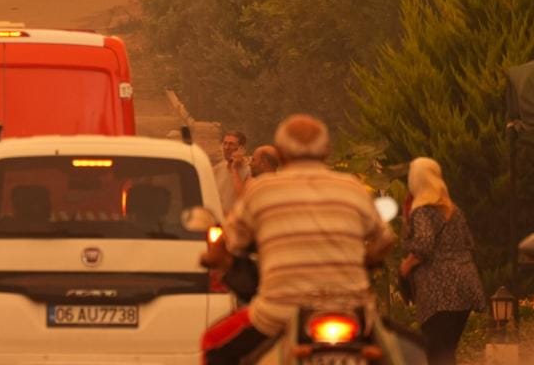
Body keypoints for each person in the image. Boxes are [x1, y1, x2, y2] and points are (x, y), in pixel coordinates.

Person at [201, 115, 395, 364]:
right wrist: (367, 261)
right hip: (353, 313)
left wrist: (213, 255)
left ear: (281, 154)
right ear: (326, 151)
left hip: (279, 314)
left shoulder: (262, 190)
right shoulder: (352, 187)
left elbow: (231, 243)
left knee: (212, 343)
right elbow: (385, 240)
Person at [400, 157, 485, 365]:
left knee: (437, 354)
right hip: (465, 287)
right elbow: (468, 242)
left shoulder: (423, 211)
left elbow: (424, 245)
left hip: (439, 292)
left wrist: (407, 264)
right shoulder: (454, 211)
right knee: (446, 352)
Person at [214, 130, 251, 215]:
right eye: (225, 143)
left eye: (231, 144)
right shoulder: (218, 168)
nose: (226, 147)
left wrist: (235, 169)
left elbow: (244, 199)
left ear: (241, 148)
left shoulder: (249, 170)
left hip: (236, 222)